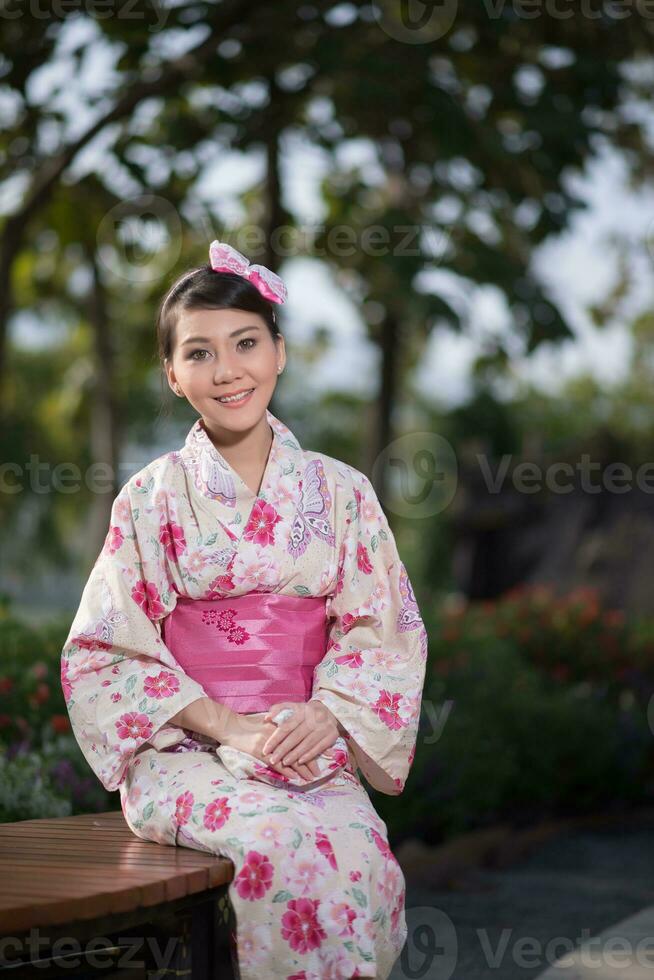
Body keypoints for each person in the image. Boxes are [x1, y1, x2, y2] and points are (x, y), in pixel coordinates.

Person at [61, 240, 429, 980]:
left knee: (367, 869)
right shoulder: (150, 497)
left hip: (303, 744)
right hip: (186, 752)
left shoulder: (342, 492)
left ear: (280, 353)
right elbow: (102, 651)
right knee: (279, 847)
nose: (227, 371)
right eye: (199, 353)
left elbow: (381, 629)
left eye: (246, 343)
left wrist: (326, 713)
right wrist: (229, 727)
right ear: (172, 375)